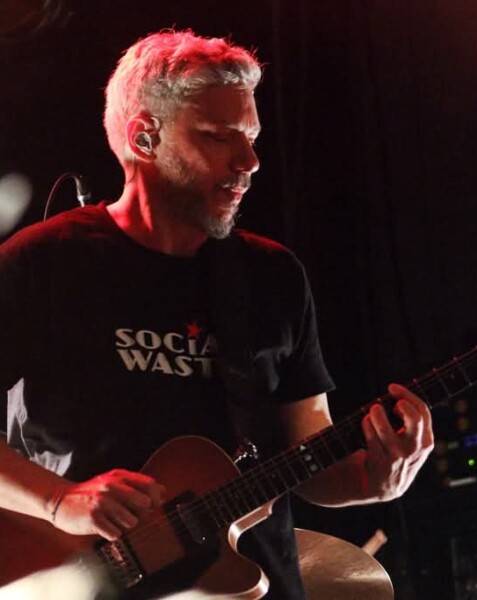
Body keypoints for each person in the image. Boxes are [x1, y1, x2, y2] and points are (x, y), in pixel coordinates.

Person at [0, 29, 434, 599]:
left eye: (251, 137)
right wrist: (59, 501)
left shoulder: (271, 276)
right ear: (144, 137)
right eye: (219, 136)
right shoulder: (41, 264)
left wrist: (374, 481)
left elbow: (311, 452)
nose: (250, 161)